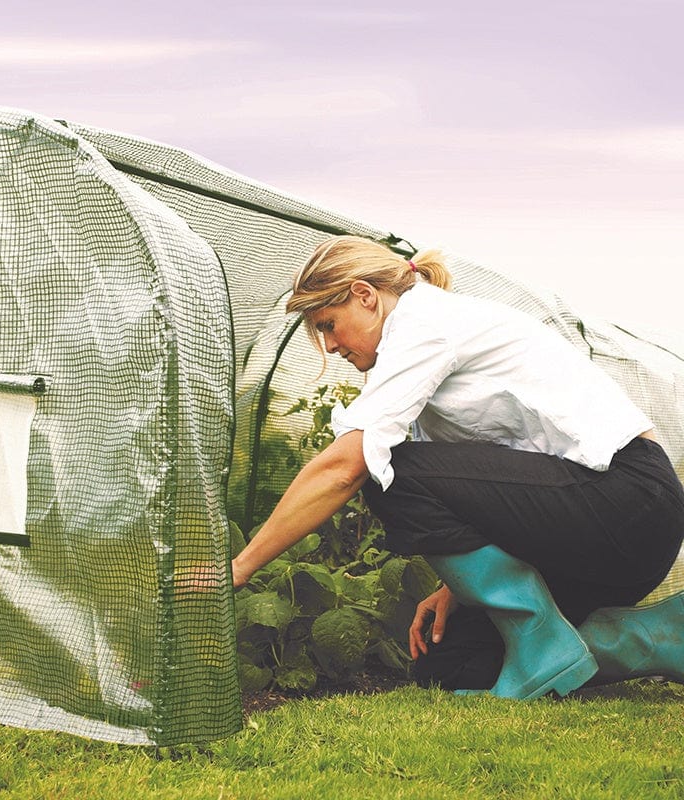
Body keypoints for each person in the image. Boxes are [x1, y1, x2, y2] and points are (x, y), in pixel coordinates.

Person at [231, 235, 684, 698]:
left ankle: (540, 638)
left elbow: (344, 468)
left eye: (329, 324)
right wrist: (458, 587)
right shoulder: (429, 339)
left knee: (392, 474)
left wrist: (239, 567)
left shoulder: (424, 323)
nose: (328, 346)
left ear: (365, 295)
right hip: (592, 528)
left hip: (628, 501)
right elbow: (493, 480)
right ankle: (652, 638)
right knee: (451, 662)